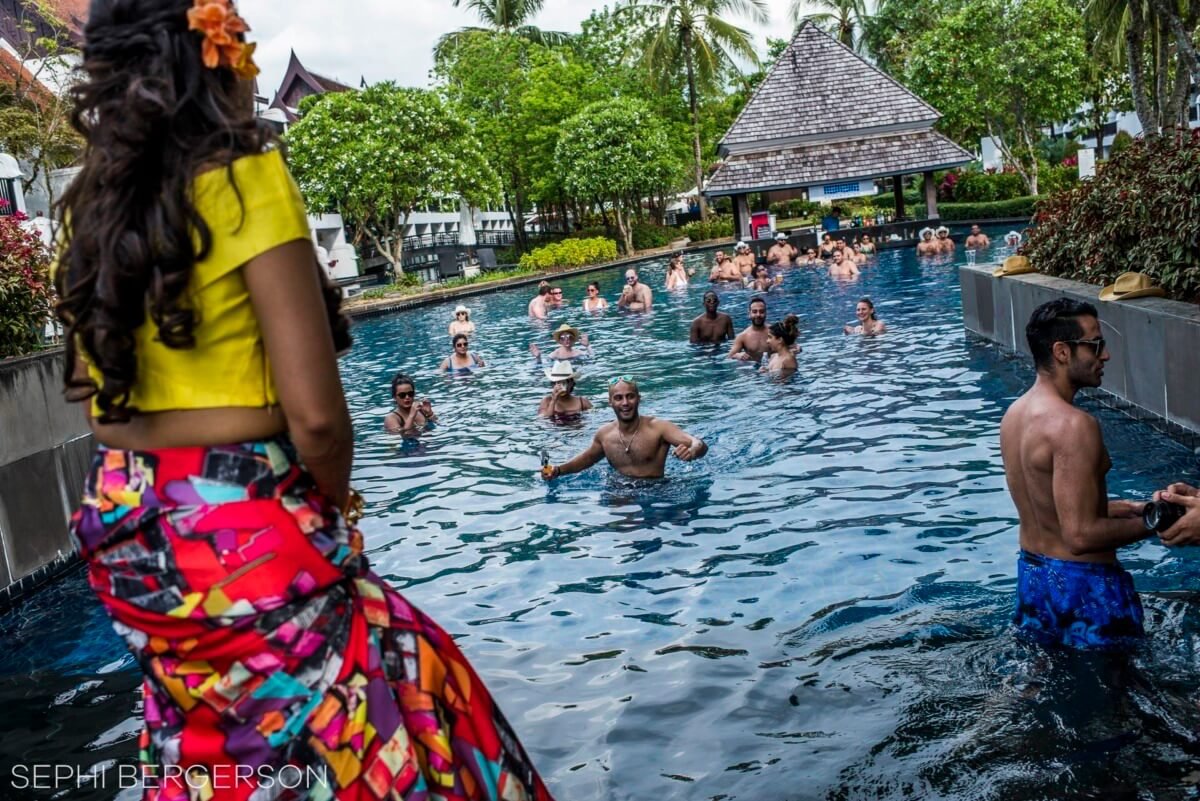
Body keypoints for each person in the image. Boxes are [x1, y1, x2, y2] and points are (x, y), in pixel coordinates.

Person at [52, 2, 555, 798]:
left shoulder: (95, 203)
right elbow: (317, 415)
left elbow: (90, 393)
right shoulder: (245, 174)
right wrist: (328, 513)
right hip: (236, 519)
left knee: (212, 744)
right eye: (242, 43)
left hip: (119, 522)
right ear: (210, 58)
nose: (254, 64)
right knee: (406, 713)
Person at [1000, 299, 1151, 651]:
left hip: (1034, 578)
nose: (1105, 355)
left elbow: (1049, 508)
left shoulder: (1014, 416)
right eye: (1095, 345)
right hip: (1086, 588)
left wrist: (1125, 508)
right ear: (1062, 352)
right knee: (1117, 696)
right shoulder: (1075, 425)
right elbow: (1080, 536)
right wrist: (1157, 521)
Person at [541, 377, 707, 479]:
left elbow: (697, 443)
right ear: (610, 402)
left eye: (630, 396)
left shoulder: (658, 428)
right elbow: (587, 460)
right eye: (619, 398)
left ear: (638, 399)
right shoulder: (605, 434)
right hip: (618, 493)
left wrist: (692, 452)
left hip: (657, 493)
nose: (625, 403)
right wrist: (557, 470)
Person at [728, 296, 770, 363]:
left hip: (771, 368)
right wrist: (737, 355)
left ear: (766, 313)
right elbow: (729, 357)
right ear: (749, 314)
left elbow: (790, 348)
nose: (758, 315)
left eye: (761, 311)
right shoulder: (743, 336)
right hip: (752, 370)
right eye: (754, 312)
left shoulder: (774, 332)